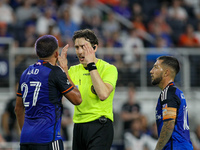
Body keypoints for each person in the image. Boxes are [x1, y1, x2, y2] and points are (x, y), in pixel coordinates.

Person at [14, 35, 82, 150]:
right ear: (56, 54)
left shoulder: (26, 73)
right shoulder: (55, 72)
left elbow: (18, 108)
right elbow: (77, 99)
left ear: (37, 53)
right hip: (48, 139)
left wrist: (26, 132)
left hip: (26, 140)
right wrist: (64, 68)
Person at [67, 29, 118, 150]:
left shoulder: (108, 69)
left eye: (83, 47)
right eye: (77, 47)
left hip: (100, 126)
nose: (79, 51)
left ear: (94, 48)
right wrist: (63, 69)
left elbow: (103, 94)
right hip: (78, 126)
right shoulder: (73, 70)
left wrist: (91, 65)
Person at [150, 56, 193, 150]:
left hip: (175, 146)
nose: (151, 71)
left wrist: (157, 148)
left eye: (156, 67)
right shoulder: (177, 92)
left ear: (166, 72)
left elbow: (169, 125)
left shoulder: (168, 93)